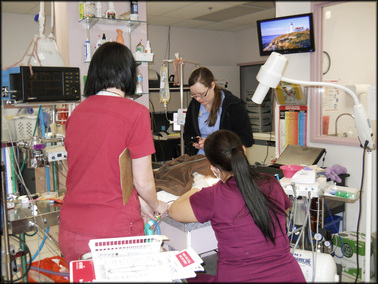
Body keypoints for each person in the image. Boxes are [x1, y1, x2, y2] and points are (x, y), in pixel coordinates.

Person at [59, 42, 168, 264]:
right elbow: (143, 181)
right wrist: (156, 205)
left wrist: (141, 205)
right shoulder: (136, 113)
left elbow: (95, 174)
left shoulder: (77, 114)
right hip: (113, 236)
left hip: (71, 231)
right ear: (128, 74)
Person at [169, 130, 305, 283]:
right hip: (289, 276)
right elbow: (283, 212)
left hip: (239, 277)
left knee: (188, 277)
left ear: (213, 168)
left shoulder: (213, 195)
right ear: (244, 150)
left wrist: (197, 186)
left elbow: (174, 211)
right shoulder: (271, 183)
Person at [183, 67, 254, 156]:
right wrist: (193, 142)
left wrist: (213, 143)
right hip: (200, 159)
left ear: (212, 85)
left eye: (202, 94)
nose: (198, 99)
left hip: (224, 160)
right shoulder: (194, 105)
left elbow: (247, 139)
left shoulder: (233, 105)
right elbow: (187, 133)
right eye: (194, 95)